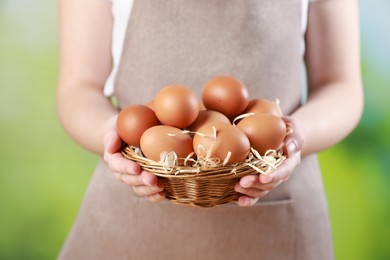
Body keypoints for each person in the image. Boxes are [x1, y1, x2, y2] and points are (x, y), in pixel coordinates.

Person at [56, 0, 363, 259]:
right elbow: (79, 87)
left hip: (278, 211)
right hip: (130, 215)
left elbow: (340, 85)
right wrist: (115, 133)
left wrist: (295, 136)